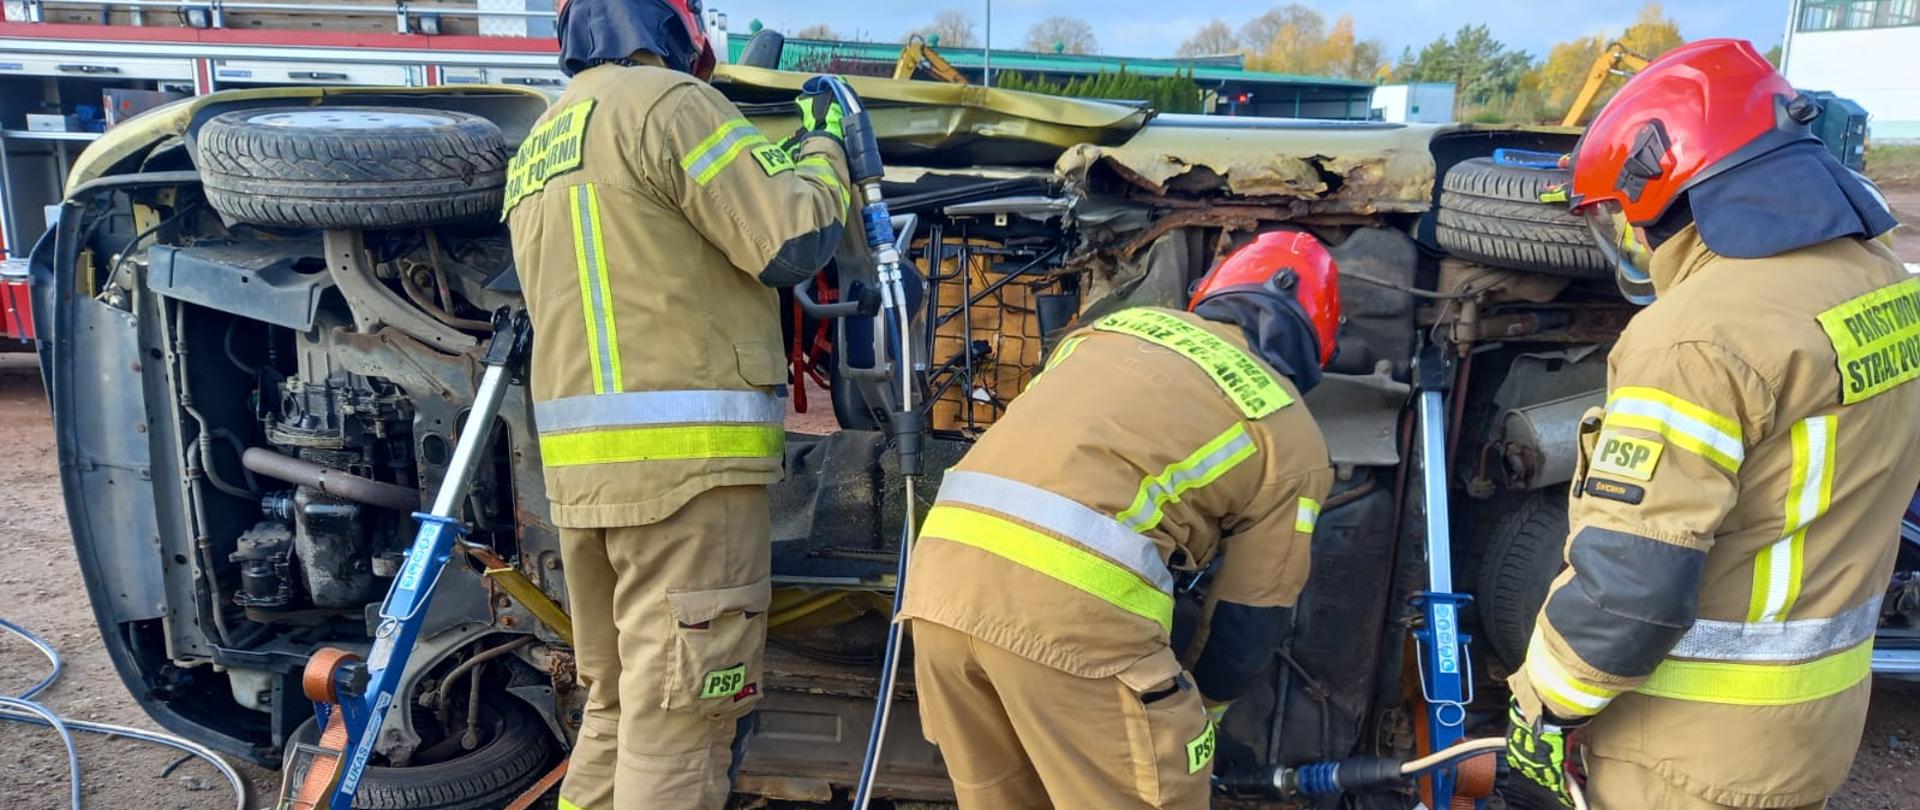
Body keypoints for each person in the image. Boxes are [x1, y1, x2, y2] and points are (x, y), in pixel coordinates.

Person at [1505, 38, 1920, 810]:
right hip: (1813, 728)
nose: (1632, 237)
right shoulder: (1880, 278)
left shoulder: (1696, 338)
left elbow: (1630, 590)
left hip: (1691, 756)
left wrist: (1541, 710)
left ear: (1667, 182)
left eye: (1624, 214)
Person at [501, 1, 854, 807]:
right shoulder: (671, 103)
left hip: (587, 482)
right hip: (687, 479)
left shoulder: (543, 140)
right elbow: (792, 237)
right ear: (676, 25)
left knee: (617, 706)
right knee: (686, 725)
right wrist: (824, 146)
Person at [898, 230, 1342, 809]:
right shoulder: (1290, 432)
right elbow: (1250, 620)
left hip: (937, 587)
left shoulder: (1106, 332)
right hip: (1071, 620)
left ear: (1209, 293)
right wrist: (1201, 714)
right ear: (1315, 345)